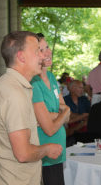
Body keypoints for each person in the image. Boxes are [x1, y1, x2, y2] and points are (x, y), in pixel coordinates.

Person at [0, 31, 63, 185]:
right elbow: (23, 154)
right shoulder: (14, 93)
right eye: (37, 51)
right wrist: (47, 149)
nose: (42, 56)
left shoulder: (6, 84)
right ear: (21, 57)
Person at [31, 33, 70, 185]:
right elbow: (50, 127)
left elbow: (65, 110)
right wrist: (63, 112)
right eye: (41, 50)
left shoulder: (52, 77)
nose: (48, 52)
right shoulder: (34, 82)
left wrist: (51, 115)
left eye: (47, 47)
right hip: (44, 151)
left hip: (58, 151)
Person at [64, 80, 91, 145]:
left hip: (85, 130)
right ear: (72, 88)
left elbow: (89, 114)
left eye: (83, 88)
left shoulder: (84, 99)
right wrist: (82, 116)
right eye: (80, 88)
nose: (82, 90)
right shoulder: (64, 100)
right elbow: (67, 117)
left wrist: (81, 116)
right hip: (70, 130)